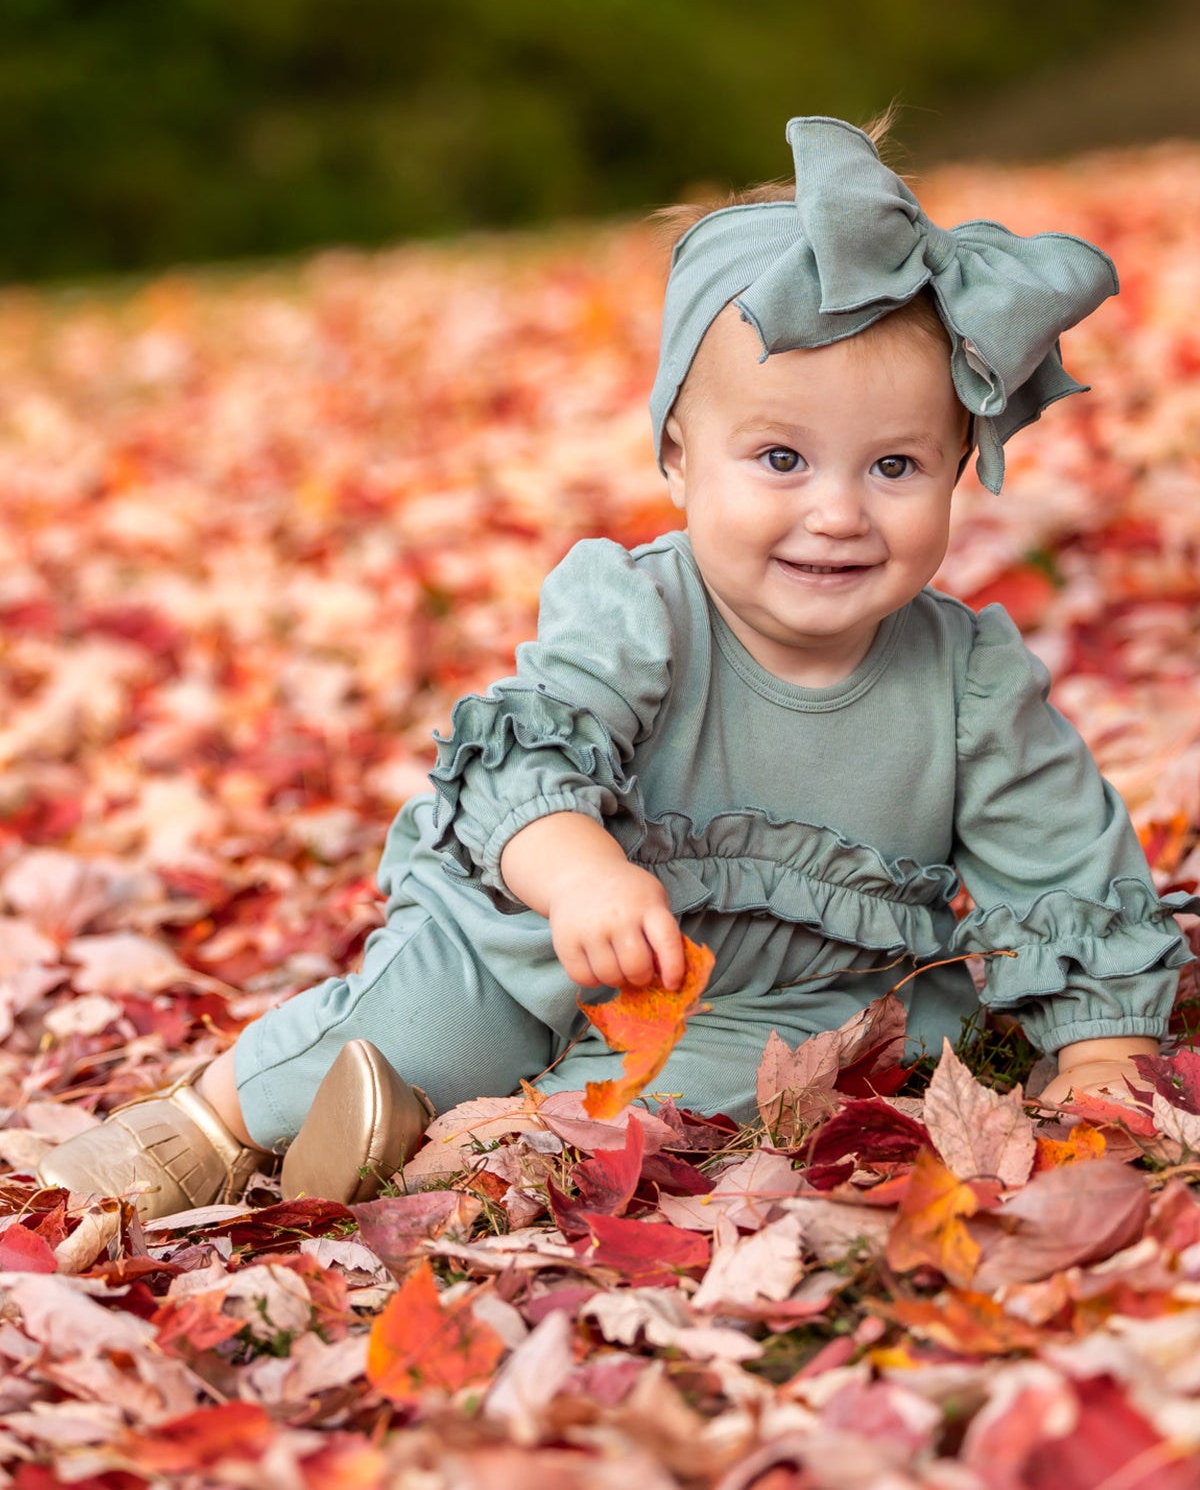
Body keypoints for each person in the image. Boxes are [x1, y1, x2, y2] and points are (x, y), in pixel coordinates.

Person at [38, 115, 1196, 1216]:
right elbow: (522, 759)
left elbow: (1064, 871)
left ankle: (464, 1144)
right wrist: (580, 871)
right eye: (781, 458)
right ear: (681, 462)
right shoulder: (639, 612)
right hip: (552, 930)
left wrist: (1102, 1051)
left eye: (895, 467)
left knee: (758, 1084)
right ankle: (221, 1121)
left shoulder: (969, 681)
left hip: (775, 997)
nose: (837, 513)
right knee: (441, 1013)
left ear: (956, 471)